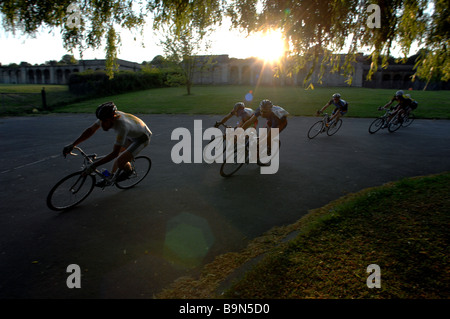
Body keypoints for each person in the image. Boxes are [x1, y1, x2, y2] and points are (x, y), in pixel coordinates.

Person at [62, 102, 152, 187]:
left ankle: (129, 171)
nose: (102, 124)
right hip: (132, 133)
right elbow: (91, 130)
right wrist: (73, 144)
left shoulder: (121, 127)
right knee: (119, 155)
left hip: (141, 138)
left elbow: (114, 154)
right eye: (101, 121)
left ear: (112, 118)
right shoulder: (105, 117)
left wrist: (94, 165)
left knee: (120, 160)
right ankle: (111, 176)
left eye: (105, 121)